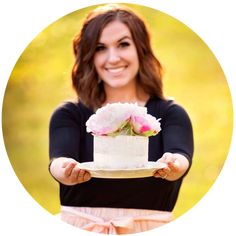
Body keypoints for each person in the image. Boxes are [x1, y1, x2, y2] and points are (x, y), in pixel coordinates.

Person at [49, 3, 194, 234]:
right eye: (100, 48)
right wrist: (64, 171)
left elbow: (181, 158)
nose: (113, 58)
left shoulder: (170, 114)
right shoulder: (69, 114)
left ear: (141, 49)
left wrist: (174, 164)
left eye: (123, 44)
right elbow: (58, 160)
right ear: (89, 56)